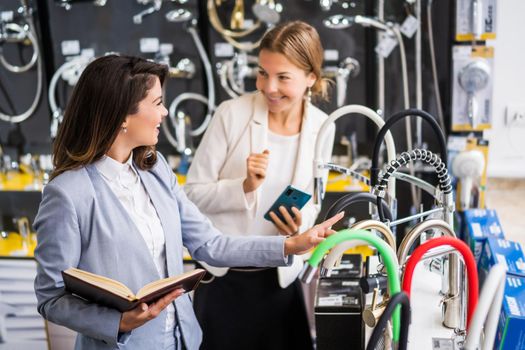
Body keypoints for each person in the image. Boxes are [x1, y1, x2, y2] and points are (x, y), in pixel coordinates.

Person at [32, 55, 342, 350]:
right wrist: (118, 322)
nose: (165, 112)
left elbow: (211, 245)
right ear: (122, 115)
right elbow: (51, 298)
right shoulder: (68, 194)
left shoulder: (155, 169)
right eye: (157, 103)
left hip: (184, 339)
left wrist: (289, 245)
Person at [184, 21, 335, 349]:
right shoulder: (231, 115)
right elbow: (191, 195)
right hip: (224, 281)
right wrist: (245, 186)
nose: (269, 87)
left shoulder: (323, 127)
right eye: (263, 73)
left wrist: (301, 222)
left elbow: (314, 199)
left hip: (280, 282)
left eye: (283, 77)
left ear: (311, 78)